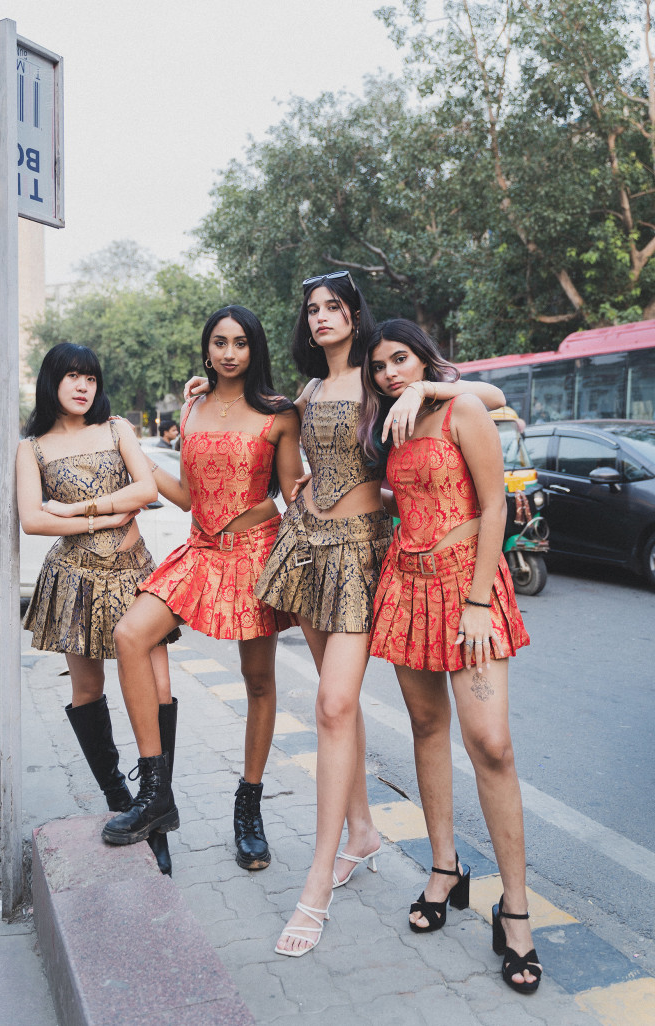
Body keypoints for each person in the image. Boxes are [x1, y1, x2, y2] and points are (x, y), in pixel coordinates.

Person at [251, 272, 507, 958]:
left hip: (366, 555)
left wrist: (427, 385)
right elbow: (257, 424)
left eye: (335, 306)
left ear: (355, 314)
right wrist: (201, 397)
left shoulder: (380, 377)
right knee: (341, 709)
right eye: (313, 309)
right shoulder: (302, 394)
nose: (324, 317)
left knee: (334, 706)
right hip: (304, 551)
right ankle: (361, 831)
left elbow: (490, 396)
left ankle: (317, 885)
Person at [359, 318, 540, 994]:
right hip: (407, 585)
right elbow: (405, 499)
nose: (388, 373)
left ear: (423, 359)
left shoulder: (460, 406)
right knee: (426, 728)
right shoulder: (391, 426)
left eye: (398, 359)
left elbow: (493, 507)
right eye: (379, 366)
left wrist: (474, 603)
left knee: (491, 743)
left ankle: (515, 909)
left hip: (470, 587)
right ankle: (444, 868)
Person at [102, 306, 303, 878]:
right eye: (219, 342)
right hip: (200, 550)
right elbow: (188, 495)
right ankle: (154, 793)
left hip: (257, 555)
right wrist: (131, 452)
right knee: (129, 634)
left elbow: (293, 497)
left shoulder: (279, 413)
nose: (230, 352)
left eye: (240, 343)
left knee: (259, 682)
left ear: (254, 349)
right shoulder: (191, 407)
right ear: (207, 348)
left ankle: (249, 807)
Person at [16, 342, 181, 874]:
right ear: (52, 383)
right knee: (88, 690)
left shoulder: (117, 430)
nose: (83, 386)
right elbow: (33, 521)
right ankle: (119, 799)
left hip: (133, 574)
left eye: (90, 377)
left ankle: (155, 805)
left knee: (159, 689)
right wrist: (97, 522)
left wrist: (82, 506)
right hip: (75, 581)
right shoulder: (32, 448)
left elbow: (144, 488)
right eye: (71, 377)